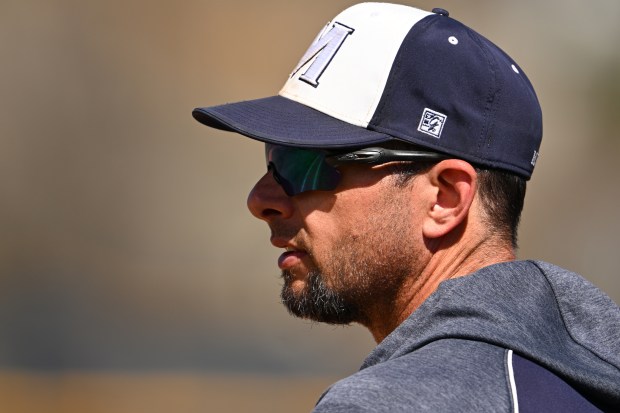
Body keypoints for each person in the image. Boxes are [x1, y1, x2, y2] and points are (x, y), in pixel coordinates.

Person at [193, 3, 620, 411]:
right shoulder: (583, 376)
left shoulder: (391, 403)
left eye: (303, 163)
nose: (260, 200)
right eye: (273, 155)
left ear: (445, 198)